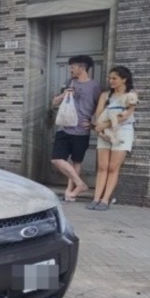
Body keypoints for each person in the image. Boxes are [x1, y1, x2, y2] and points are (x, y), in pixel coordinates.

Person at [50, 55, 101, 201]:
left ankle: (69, 192)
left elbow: (100, 107)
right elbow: (54, 102)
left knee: (77, 161)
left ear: (82, 67)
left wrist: (93, 124)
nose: (70, 70)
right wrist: (64, 94)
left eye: (73, 67)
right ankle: (80, 184)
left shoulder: (95, 86)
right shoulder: (69, 82)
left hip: (81, 131)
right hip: (64, 127)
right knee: (56, 159)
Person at [87, 66, 138, 211]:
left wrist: (102, 126)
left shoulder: (131, 95)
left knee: (113, 167)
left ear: (124, 79)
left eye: (114, 78)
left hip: (123, 131)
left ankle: (105, 200)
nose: (111, 81)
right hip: (105, 132)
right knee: (102, 167)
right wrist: (101, 130)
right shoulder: (105, 95)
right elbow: (98, 115)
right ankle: (96, 198)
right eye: (110, 78)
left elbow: (125, 116)